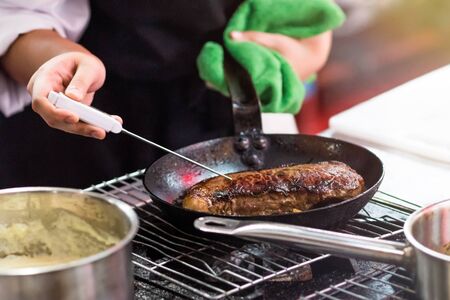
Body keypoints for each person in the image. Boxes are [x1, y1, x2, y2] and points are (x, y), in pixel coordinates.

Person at [0, 0, 335, 188]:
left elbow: (316, 14)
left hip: (228, 111)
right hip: (88, 120)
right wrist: (58, 63)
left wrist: (310, 49)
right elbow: (15, 17)